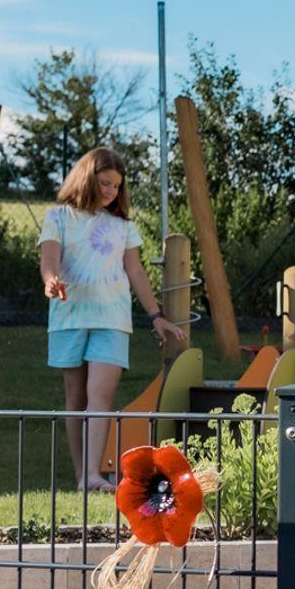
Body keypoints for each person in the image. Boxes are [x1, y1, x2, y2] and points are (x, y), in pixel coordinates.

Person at [38, 147, 184, 491]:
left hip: (113, 320)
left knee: (100, 394)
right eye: (105, 183)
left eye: (117, 186)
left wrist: (156, 316)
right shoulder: (57, 217)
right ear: (86, 179)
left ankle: (93, 475)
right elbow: (49, 259)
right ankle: (82, 476)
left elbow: (136, 272)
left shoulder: (123, 226)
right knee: (76, 398)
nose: (111, 192)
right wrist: (50, 280)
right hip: (69, 319)